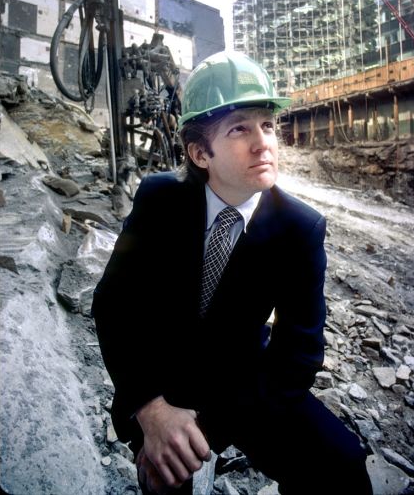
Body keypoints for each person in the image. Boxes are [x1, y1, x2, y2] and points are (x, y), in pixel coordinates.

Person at [92, 51, 372, 494]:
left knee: (343, 469)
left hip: (245, 380)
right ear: (201, 152)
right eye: (240, 128)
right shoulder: (160, 199)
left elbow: (297, 356)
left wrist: (202, 432)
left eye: (266, 124)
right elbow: (113, 306)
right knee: (163, 475)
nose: (263, 142)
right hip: (163, 368)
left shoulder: (300, 228)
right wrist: (151, 410)